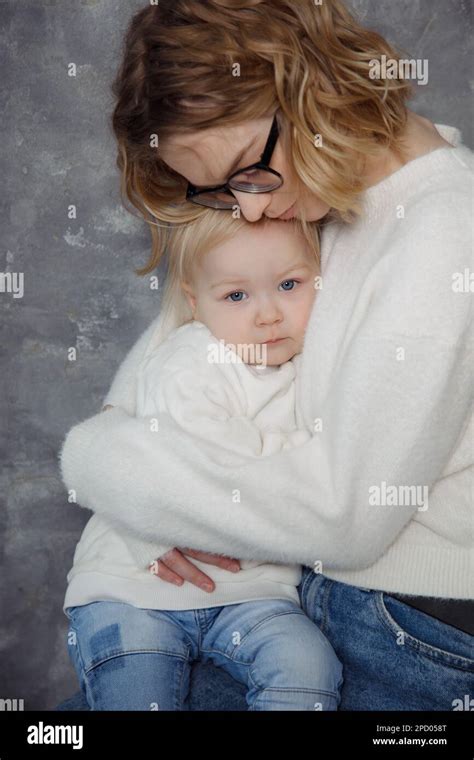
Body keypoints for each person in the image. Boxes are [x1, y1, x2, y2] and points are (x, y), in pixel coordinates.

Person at [60, 0, 473, 710]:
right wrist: (156, 490)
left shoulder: (443, 236)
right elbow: (194, 319)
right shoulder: (325, 182)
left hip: (407, 629)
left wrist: (103, 463)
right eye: (217, 192)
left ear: (307, 87)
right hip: (307, 589)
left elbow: (343, 515)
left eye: (245, 176)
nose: (245, 212)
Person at [64, 211, 344, 711]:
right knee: (137, 693)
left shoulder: (311, 363)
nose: (268, 314)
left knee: (309, 668)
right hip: (134, 587)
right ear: (195, 303)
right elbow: (208, 461)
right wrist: (303, 450)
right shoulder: (190, 358)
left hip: (256, 591)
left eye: (289, 284)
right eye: (236, 296)